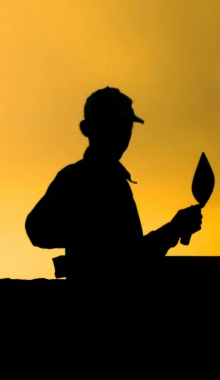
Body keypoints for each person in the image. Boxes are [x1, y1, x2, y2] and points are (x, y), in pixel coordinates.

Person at [25, 87, 203, 281]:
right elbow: (129, 259)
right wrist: (89, 237)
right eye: (112, 125)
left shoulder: (104, 179)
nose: (121, 134)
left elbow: (131, 255)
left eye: (126, 127)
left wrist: (174, 229)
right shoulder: (83, 179)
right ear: (88, 129)